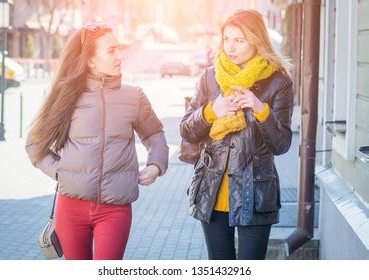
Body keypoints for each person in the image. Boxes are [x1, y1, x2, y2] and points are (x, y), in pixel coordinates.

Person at [26, 23, 169, 260]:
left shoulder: (134, 96)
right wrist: (60, 172)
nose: (119, 56)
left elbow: (155, 135)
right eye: (110, 51)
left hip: (115, 209)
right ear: (90, 59)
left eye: (118, 49)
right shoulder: (67, 95)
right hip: (70, 208)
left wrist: (156, 166)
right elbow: (35, 144)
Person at [180, 10, 293, 260]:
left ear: (256, 40)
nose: (230, 47)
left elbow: (282, 143)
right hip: (212, 190)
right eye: (226, 39)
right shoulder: (210, 77)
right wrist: (211, 112)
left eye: (239, 40)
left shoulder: (278, 82)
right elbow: (186, 129)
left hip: (255, 194)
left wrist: (260, 109)